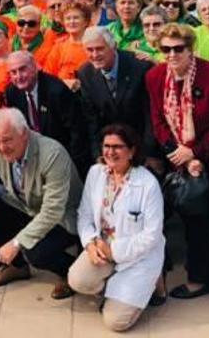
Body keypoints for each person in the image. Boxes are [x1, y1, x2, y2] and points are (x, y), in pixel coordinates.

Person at [145, 23, 209, 298]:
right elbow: (158, 120)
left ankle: (206, 274)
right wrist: (180, 154)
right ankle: (202, 268)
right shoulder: (155, 77)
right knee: (193, 211)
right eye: (166, 49)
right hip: (180, 153)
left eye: (178, 49)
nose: (172, 55)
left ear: (191, 49)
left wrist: (196, 152)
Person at [0, 108, 83, 299]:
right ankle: (16, 268)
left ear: (24, 133)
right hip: (29, 207)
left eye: (7, 140)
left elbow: (52, 211)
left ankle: (70, 271)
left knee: (34, 251)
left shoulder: (52, 154)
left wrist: (16, 243)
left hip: (62, 218)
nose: (2, 147)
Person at [67, 124, 164, 332]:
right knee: (77, 279)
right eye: (106, 146)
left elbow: (152, 236)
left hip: (137, 255)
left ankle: (149, 284)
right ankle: (119, 290)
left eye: (117, 147)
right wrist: (90, 244)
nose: (110, 152)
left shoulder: (148, 184)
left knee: (115, 323)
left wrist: (115, 252)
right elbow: (84, 214)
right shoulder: (96, 173)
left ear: (132, 151)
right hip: (102, 248)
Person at [78, 27, 154, 160]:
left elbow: (150, 116)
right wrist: (98, 155)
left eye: (100, 48)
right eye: (90, 50)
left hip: (140, 145)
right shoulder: (85, 73)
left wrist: (150, 155)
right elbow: (92, 120)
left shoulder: (139, 67)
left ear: (113, 47)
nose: (95, 55)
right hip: (110, 148)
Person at [4, 51, 86, 173]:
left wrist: (70, 166)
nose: (18, 76)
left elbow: (77, 132)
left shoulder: (56, 91)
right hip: (33, 157)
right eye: (13, 72)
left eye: (22, 69)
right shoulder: (12, 92)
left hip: (62, 155)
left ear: (35, 67)